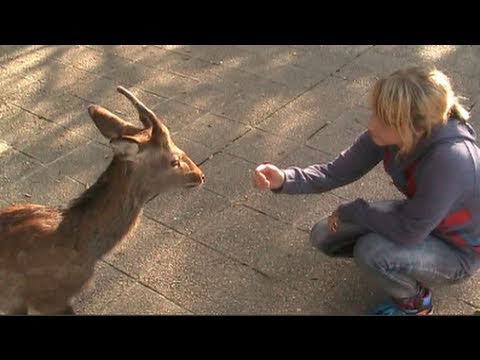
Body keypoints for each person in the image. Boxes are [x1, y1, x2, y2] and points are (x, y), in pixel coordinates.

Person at [253, 66, 479, 315]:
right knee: (323, 235)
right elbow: (335, 172)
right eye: (376, 113)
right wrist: (284, 179)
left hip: (458, 250)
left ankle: (416, 302)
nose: (371, 124)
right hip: (423, 218)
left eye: (383, 120)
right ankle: (392, 263)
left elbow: (409, 232)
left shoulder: (451, 160)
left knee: (370, 251)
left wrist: (355, 212)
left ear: (414, 128)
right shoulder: (395, 135)